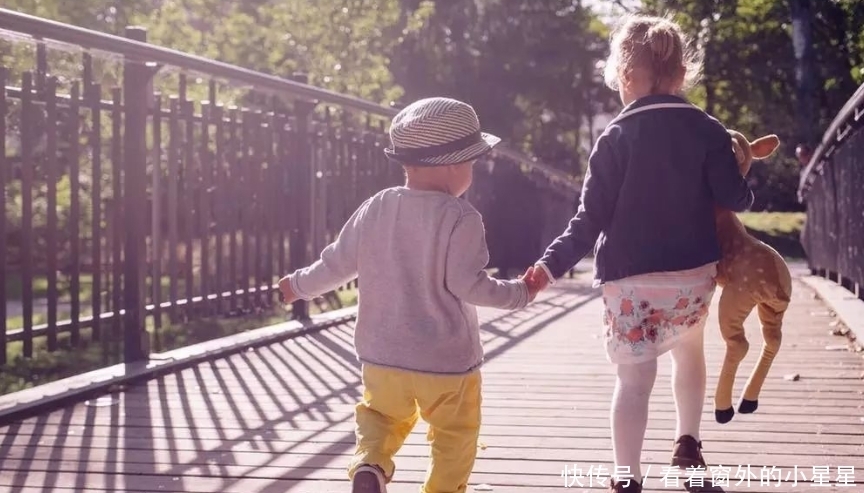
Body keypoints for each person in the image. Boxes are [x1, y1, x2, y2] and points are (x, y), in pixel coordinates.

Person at [526, 14, 754, 493]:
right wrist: (742, 168)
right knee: (689, 355)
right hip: (691, 276)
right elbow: (735, 199)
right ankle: (688, 446)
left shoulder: (614, 138)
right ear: (681, 74)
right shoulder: (708, 130)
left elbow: (588, 220)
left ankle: (627, 476)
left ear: (627, 76)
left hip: (630, 282)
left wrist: (549, 266)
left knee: (633, 381)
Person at [278, 97, 542, 493]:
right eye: (471, 163)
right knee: (455, 435)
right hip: (447, 363)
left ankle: (370, 465)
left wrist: (296, 286)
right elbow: (469, 285)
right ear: (453, 166)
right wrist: (521, 292)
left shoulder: (376, 207)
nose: (472, 172)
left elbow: (335, 265)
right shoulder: (461, 217)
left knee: (380, 418)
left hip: (382, 356)